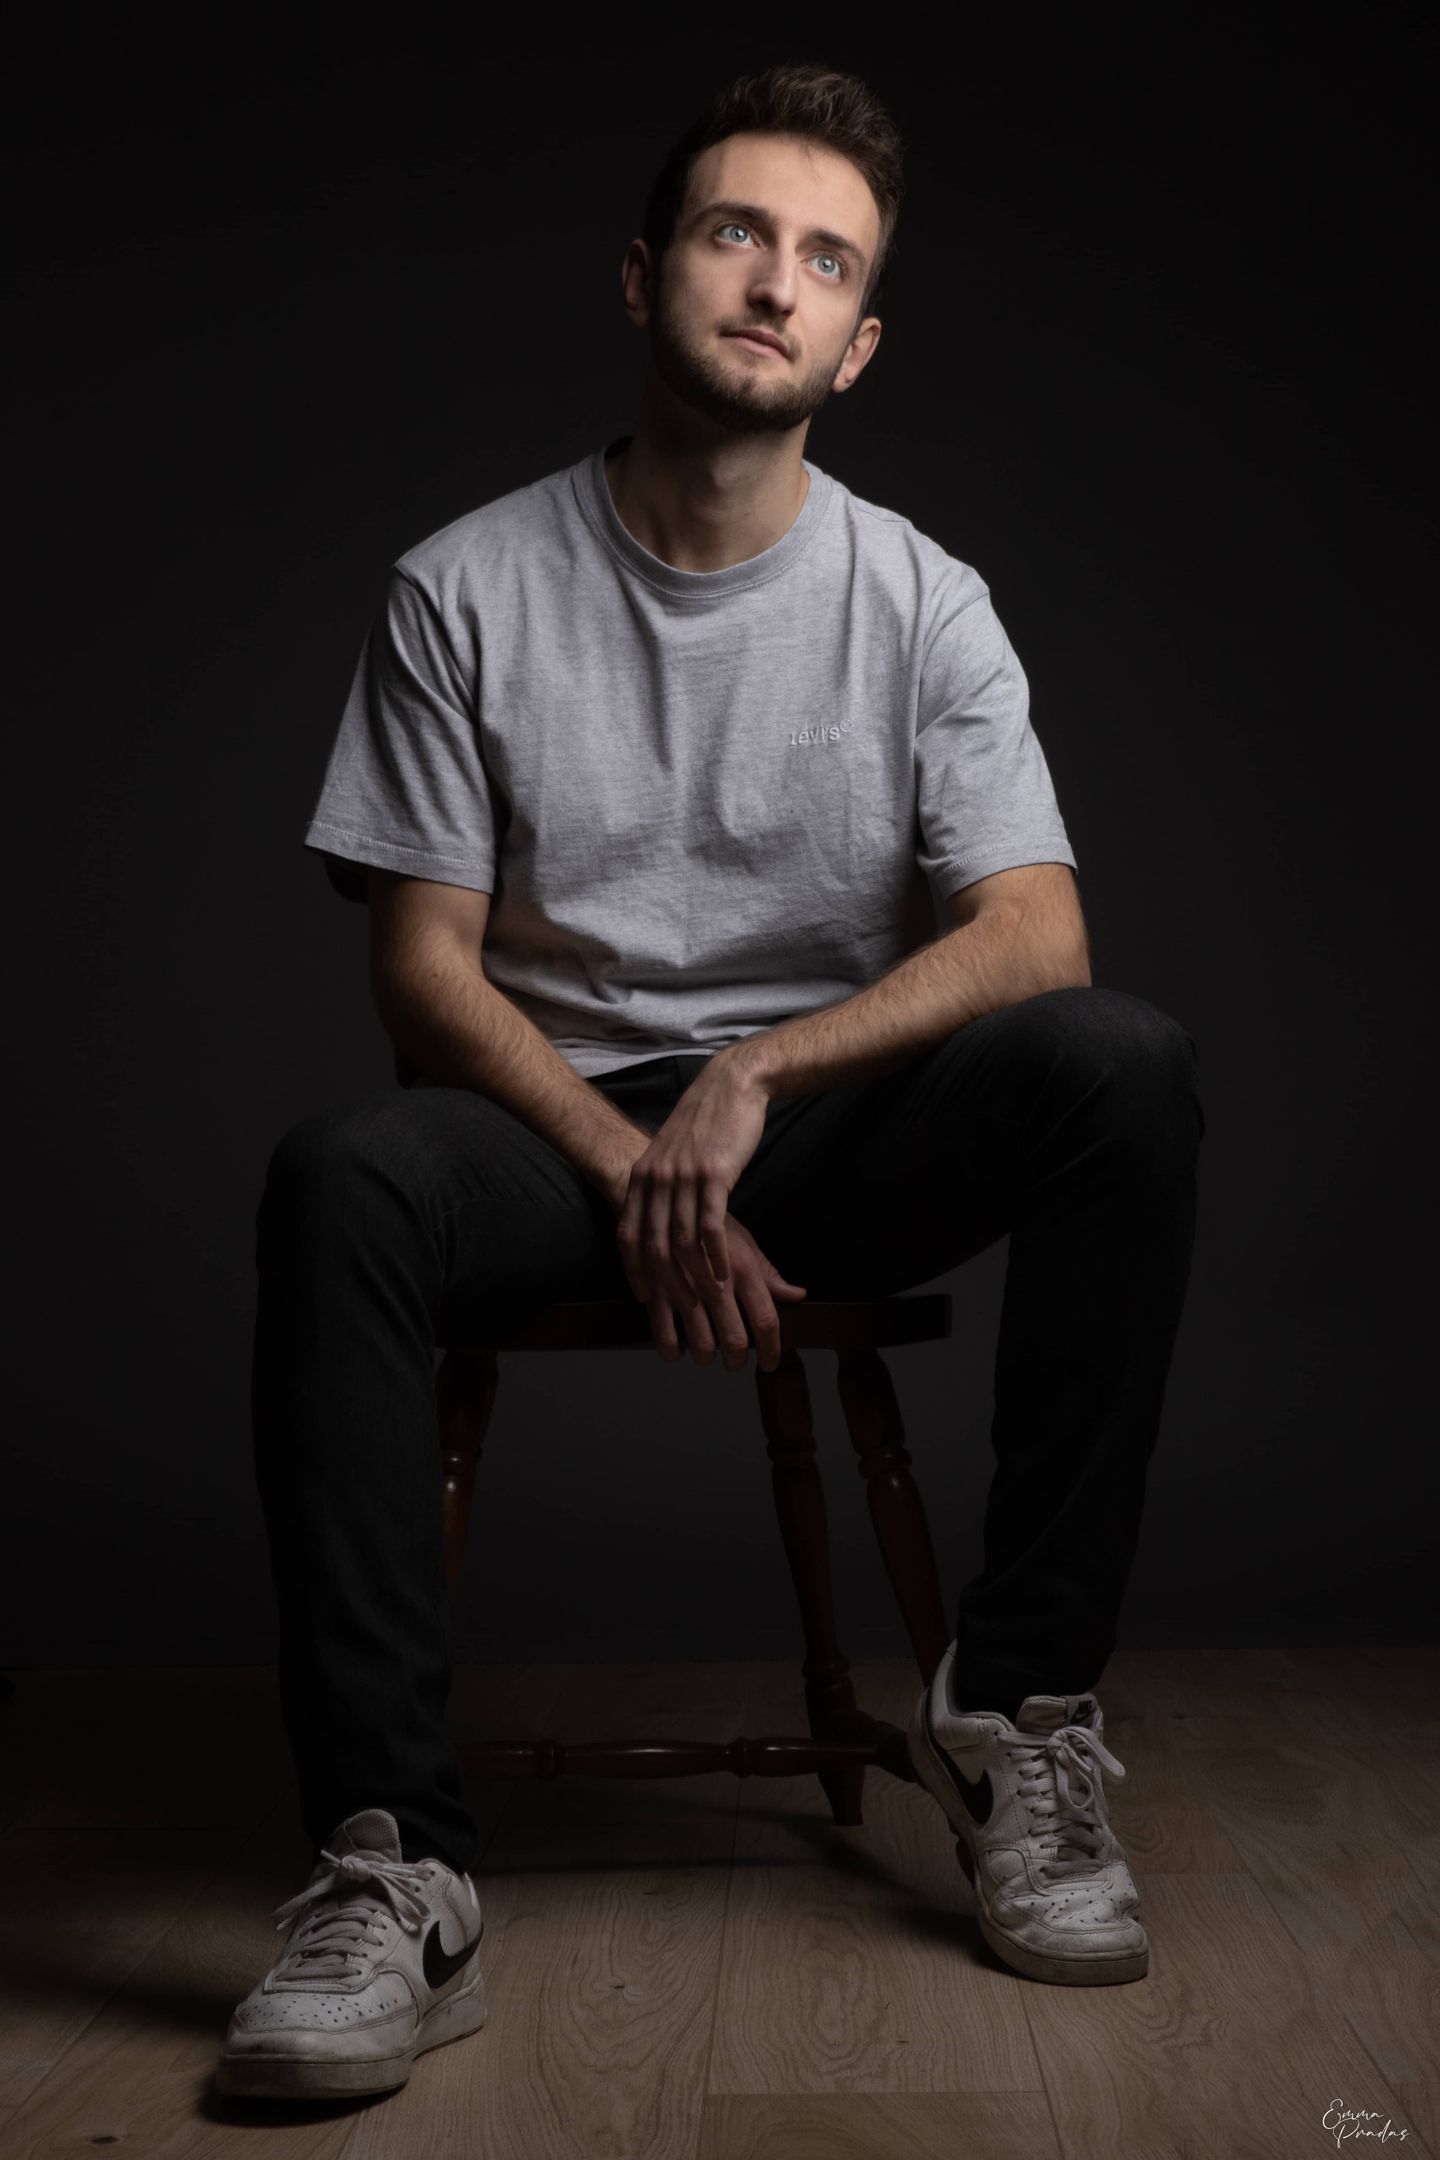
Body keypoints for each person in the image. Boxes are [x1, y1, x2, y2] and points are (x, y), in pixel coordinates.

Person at [219, 61, 1204, 2102]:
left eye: (826, 260)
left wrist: (752, 1076)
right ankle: (392, 1866)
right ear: (645, 271)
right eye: (738, 232)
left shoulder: (922, 600)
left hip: (820, 1134)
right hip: (548, 1129)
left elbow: (1040, 939)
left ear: (860, 344)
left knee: (1122, 1068)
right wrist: (629, 1153)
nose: (775, 282)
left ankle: (1020, 1717)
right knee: (339, 1177)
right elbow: (421, 973)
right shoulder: (461, 585)